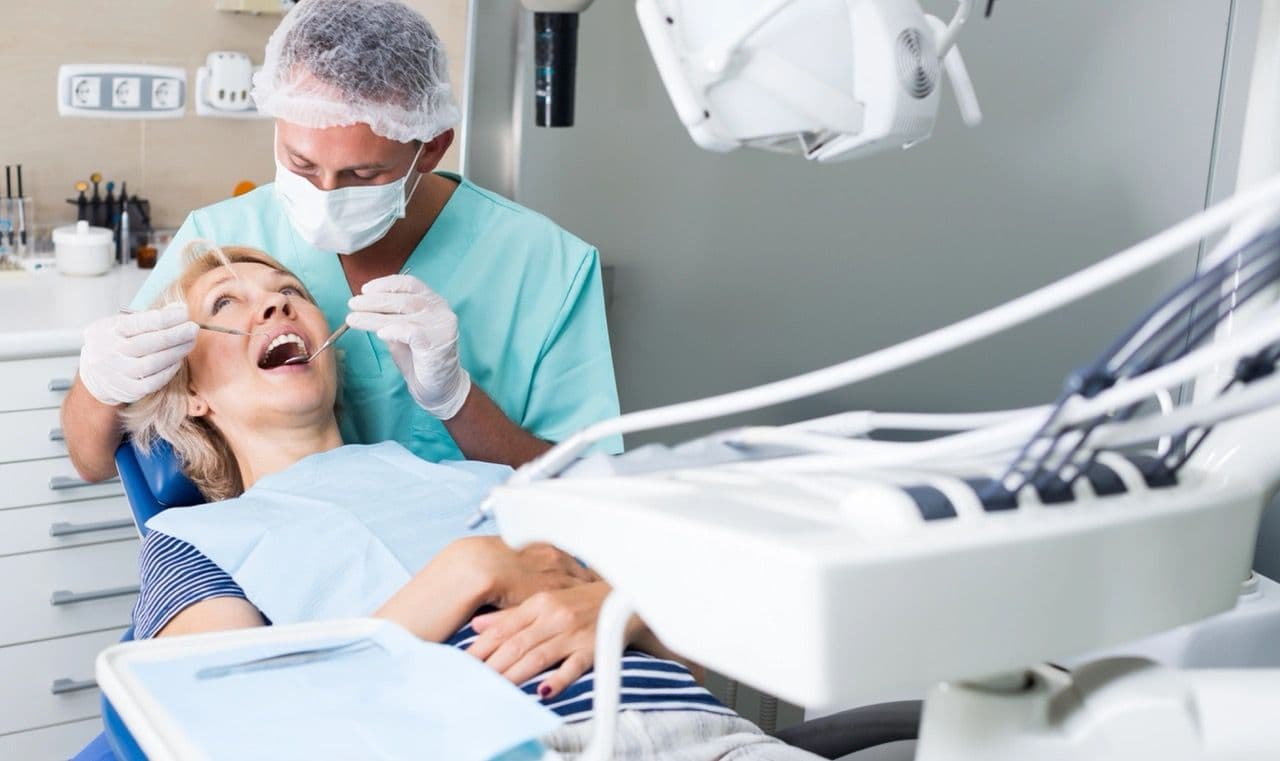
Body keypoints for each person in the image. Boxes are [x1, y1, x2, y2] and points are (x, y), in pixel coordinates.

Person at [119, 244, 819, 760]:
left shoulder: (480, 477)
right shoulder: (196, 536)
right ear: (190, 395)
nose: (274, 304)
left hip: (713, 740)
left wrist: (619, 608)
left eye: (288, 290)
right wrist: (465, 573)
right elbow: (231, 728)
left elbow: (692, 662)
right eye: (225, 305)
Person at [61, 0, 622, 485]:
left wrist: (455, 399)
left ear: (431, 147)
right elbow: (91, 461)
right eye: (300, 163)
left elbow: (587, 495)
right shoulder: (221, 239)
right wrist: (100, 383)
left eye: (362, 175)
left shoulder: (547, 266)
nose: (325, 193)